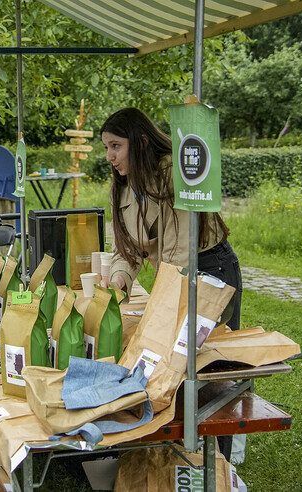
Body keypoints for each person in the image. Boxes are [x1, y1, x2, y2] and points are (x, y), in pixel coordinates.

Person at [102, 108, 243, 460]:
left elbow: (181, 253)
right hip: (177, 276)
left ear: (141, 141)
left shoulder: (173, 172)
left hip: (211, 271)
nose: (110, 157)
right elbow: (129, 249)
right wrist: (119, 278)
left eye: (116, 146)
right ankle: (174, 452)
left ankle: (219, 460)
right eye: (106, 147)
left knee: (211, 369)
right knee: (175, 364)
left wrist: (163, 308)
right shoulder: (127, 186)